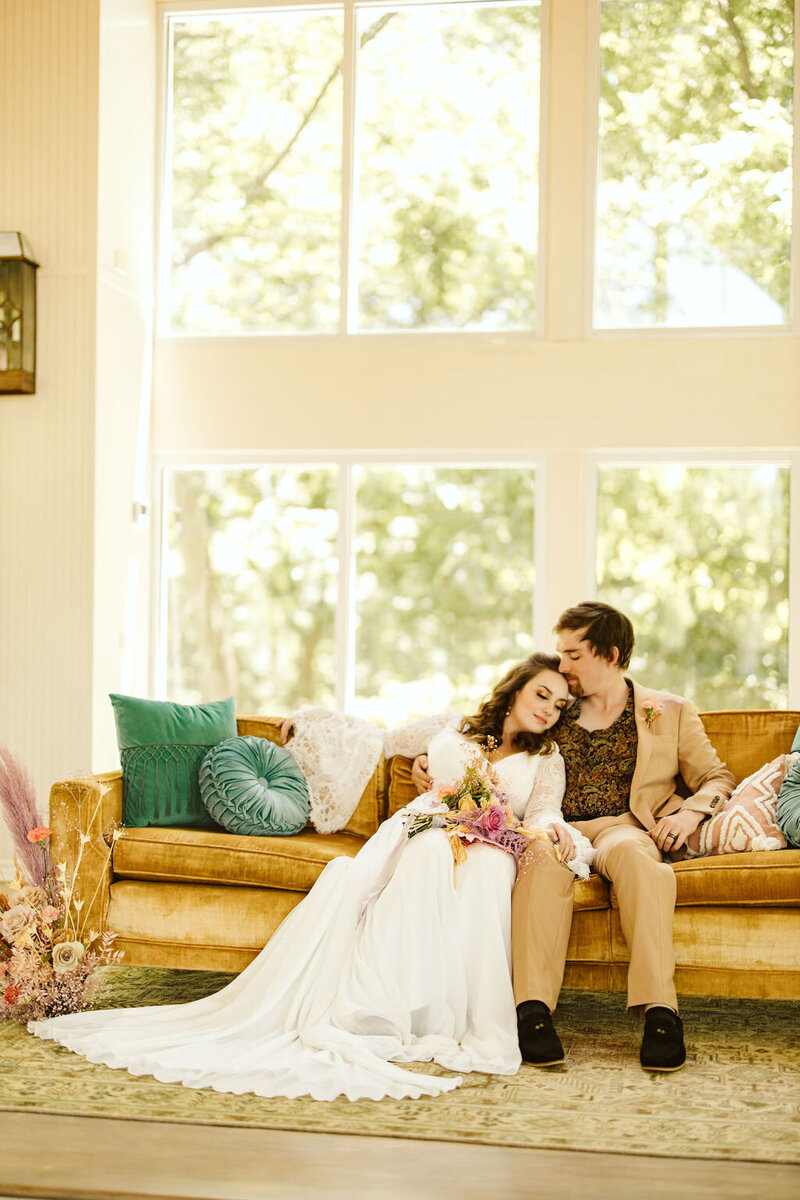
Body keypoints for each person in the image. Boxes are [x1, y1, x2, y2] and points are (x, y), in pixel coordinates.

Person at [29, 653, 591, 1102]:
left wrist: (546, 829)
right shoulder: (454, 726)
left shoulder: (548, 758)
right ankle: (395, 1002)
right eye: (542, 693)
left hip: (492, 838)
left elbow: (543, 810)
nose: (549, 709)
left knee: (491, 870)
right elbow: (382, 737)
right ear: (516, 688)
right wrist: (311, 720)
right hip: (425, 825)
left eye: (560, 704)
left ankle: (462, 1013)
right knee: (426, 858)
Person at [412, 602, 735, 1073]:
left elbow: (717, 777)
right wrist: (429, 759)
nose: (562, 666)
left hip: (625, 828)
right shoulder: (556, 705)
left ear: (610, 654)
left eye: (573, 654)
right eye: (560, 654)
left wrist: (689, 814)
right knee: (539, 860)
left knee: (640, 863)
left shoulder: (669, 712)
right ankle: (532, 1013)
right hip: (554, 826)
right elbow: (488, 728)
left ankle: (661, 1013)